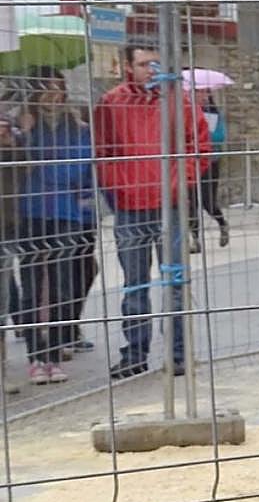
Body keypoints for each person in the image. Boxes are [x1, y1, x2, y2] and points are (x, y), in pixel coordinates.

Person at [94, 44, 211, 379]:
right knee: (134, 285)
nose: (151, 69)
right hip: (130, 207)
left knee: (174, 281)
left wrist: (180, 181)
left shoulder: (177, 101)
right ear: (128, 67)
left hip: (170, 206)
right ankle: (134, 354)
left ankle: (176, 355)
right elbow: (103, 150)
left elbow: (199, 145)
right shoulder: (113, 102)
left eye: (156, 62)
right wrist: (119, 186)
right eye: (144, 63)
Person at [16, 69, 96, 385]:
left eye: (58, 89)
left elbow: (78, 168)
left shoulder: (76, 126)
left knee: (64, 283)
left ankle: (57, 350)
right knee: (33, 285)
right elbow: (20, 162)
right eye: (46, 89)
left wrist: (46, 166)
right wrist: (26, 137)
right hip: (31, 212)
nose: (54, 95)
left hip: (66, 213)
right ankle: (36, 356)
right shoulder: (23, 125)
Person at [0, 116, 25, 394]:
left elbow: (24, 171)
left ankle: (3, 372)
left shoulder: (9, 140)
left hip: (4, 229)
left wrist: (9, 146)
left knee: (2, 304)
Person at [189, 93, 230, 251]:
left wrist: (204, 132)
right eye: (199, 92)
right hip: (191, 163)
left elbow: (219, 136)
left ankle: (222, 223)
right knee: (192, 201)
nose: (203, 96)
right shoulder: (186, 111)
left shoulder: (212, 114)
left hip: (210, 162)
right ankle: (195, 239)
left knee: (208, 201)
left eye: (206, 92)